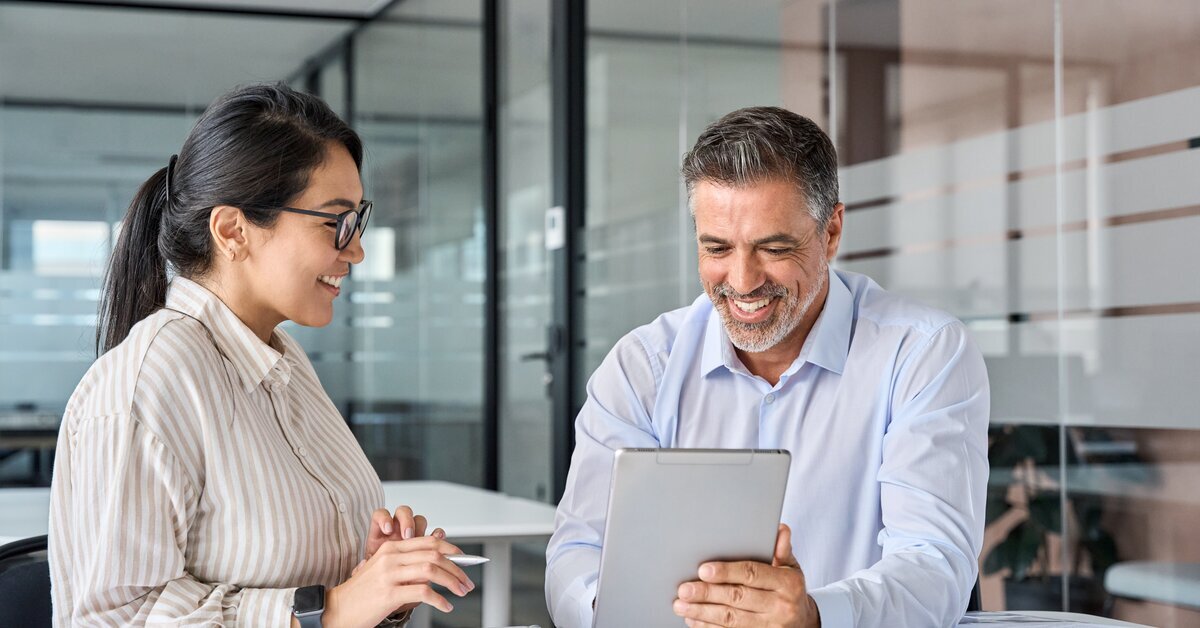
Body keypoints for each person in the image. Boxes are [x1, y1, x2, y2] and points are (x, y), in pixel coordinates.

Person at [48, 83, 476, 627]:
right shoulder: (149, 381)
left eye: (358, 220)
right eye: (335, 222)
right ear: (233, 230)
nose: (357, 249)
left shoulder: (284, 361)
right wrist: (330, 610)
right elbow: (110, 618)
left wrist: (377, 578)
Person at [545, 107, 989, 628]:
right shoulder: (643, 366)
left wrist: (816, 616)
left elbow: (933, 564)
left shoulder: (922, 354)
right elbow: (577, 551)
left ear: (831, 232)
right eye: (716, 248)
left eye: (773, 248)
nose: (742, 280)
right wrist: (619, 612)